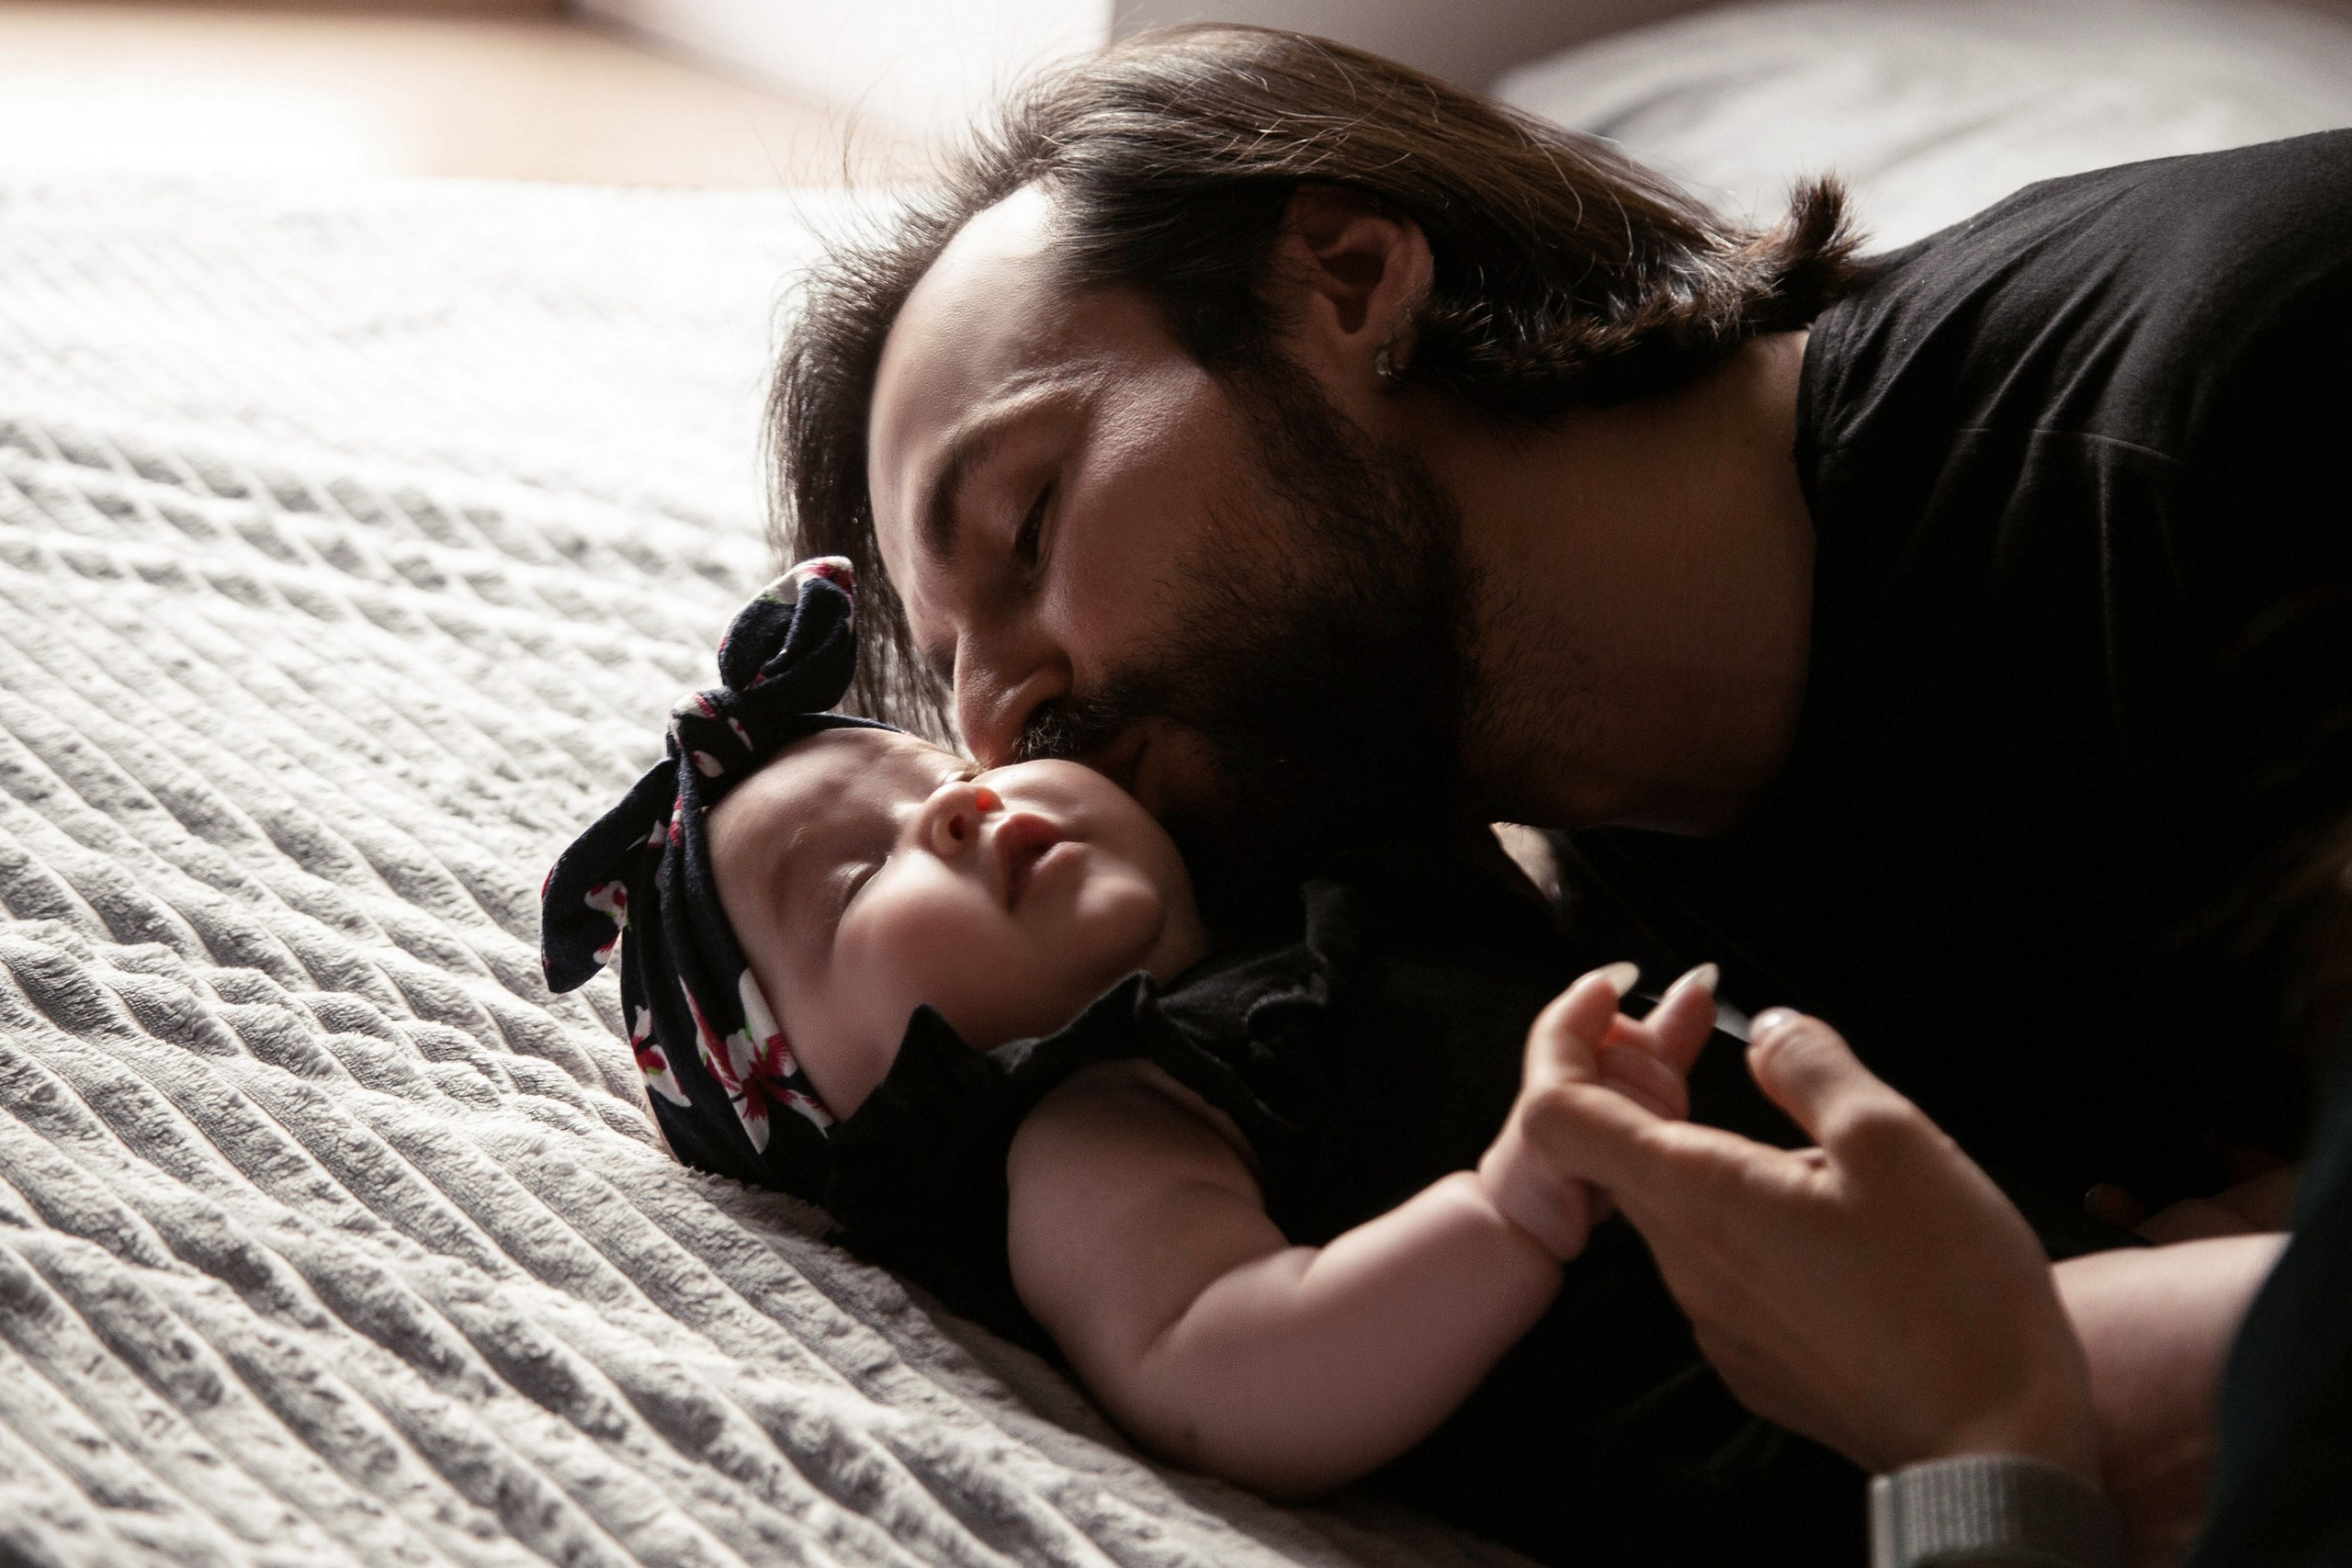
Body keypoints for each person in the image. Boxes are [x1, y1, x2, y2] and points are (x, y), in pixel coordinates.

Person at [772, 25, 2352, 1238]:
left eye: (1027, 526)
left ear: (1347, 275)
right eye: (958, 661)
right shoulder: (1635, 971)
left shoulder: (2225, 395)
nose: (995, 724)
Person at [539, 558, 1871, 1566]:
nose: (952, 808)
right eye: (852, 883)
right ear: (842, 1111)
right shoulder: (1096, 1122)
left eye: (933, 776)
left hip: (1869, 1215)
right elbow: (1217, 1367)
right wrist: (1507, 1207)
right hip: (1773, 1414)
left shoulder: (1289, 910)